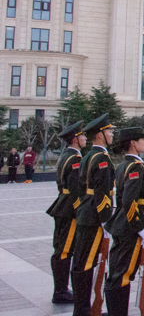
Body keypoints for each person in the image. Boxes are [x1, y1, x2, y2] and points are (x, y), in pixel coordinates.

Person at [104, 127, 144, 316]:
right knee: (122, 277)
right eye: (143, 140)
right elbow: (129, 202)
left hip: (123, 226)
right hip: (129, 228)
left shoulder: (125, 164)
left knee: (118, 275)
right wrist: (139, 228)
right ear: (133, 143)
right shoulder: (135, 168)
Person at [71, 113, 115, 316]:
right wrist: (106, 219)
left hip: (85, 212)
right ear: (99, 135)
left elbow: (81, 188)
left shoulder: (88, 156)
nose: (112, 134)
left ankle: (80, 307)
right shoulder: (102, 159)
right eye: (109, 131)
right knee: (87, 262)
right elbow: (102, 191)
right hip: (95, 216)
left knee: (81, 260)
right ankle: (82, 310)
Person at [45, 120, 86, 304]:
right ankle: (60, 291)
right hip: (70, 208)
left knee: (61, 248)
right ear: (76, 139)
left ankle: (61, 289)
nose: (85, 138)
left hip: (62, 203)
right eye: (83, 136)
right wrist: (80, 211)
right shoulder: (75, 159)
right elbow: (76, 188)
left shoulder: (66, 156)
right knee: (64, 250)